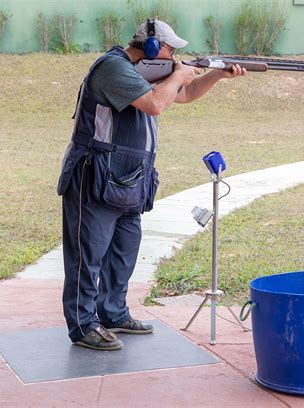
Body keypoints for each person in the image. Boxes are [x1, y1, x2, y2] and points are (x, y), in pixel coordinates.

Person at [57, 19, 246, 351]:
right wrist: (178, 74)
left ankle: (113, 313)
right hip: (96, 175)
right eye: (171, 49)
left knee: (123, 253)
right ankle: (83, 325)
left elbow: (182, 95)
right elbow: (157, 103)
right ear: (152, 48)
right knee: (88, 256)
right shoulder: (112, 69)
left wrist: (216, 74)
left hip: (130, 179)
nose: (174, 57)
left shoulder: (143, 72)